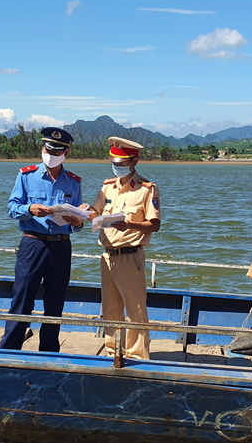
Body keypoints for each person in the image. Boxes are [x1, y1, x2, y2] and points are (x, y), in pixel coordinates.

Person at [0, 127, 83, 352]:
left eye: (57, 152)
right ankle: (7, 352)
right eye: (48, 149)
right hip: (32, 243)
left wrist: (78, 222)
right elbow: (12, 208)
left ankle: (49, 353)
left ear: (66, 153)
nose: (51, 155)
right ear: (42, 148)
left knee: (55, 304)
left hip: (61, 246)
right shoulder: (26, 175)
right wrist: (30, 208)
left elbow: (79, 219)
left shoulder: (74, 182)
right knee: (22, 300)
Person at [83, 137, 161, 359]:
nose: (117, 166)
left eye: (121, 162)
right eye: (113, 161)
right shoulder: (108, 187)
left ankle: (137, 356)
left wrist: (130, 224)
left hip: (130, 256)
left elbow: (155, 224)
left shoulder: (147, 189)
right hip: (107, 256)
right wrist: (83, 211)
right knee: (110, 309)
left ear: (133, 162)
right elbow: (95, 213)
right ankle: (113, 351)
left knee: (135, 310)